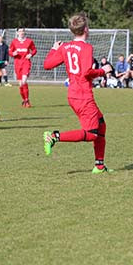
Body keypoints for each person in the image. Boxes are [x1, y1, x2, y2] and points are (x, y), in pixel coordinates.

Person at [42, 13, 115, 174]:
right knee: (91, 134)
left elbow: (47, 65)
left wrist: (53, 49)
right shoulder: (87, 48)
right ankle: (54, 136)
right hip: (83, 95)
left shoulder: (64, 47)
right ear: (86, 29)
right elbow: (87, 72)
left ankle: (99, 165)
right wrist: (103, 71)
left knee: (101, 126)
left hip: (74, 94)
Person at [9, 27, 37, 107]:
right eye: (20, 31)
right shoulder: (14, 42)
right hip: (17, 63)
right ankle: (24, 100)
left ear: (24, 32)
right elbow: (10, 51)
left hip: (26, 63)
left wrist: (31, 54)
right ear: (17, 33)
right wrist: (13, 54)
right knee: (20, 84)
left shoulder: (29, 41)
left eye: (23, 31)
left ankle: (27, 100)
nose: (21, 32)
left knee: (24, 81)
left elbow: (34, 50)